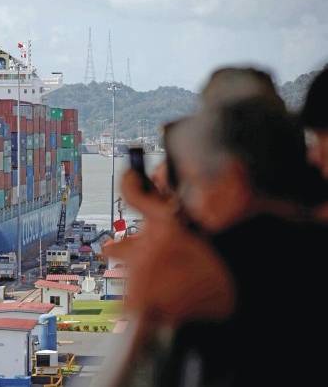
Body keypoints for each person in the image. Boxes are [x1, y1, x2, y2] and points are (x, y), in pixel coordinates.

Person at [104, 97, 327, 386]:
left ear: (232, 182)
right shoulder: (305, 237)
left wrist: (147, 287)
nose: (183, 205)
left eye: (191, 187)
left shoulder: (220, 264)